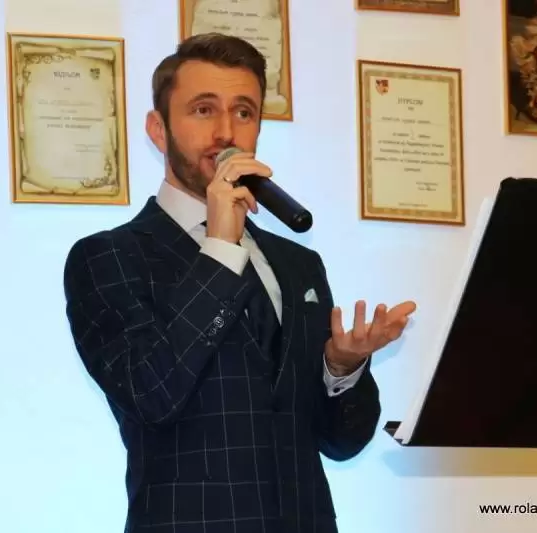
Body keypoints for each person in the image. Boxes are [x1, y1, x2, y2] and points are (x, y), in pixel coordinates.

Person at [63, 32, 416, 533]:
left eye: (244, 112)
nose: (226, 131)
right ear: (158, 130)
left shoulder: (298, 265)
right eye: (203, 109)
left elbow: (342, 442)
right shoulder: (108, 257)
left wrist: (341, 368)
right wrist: (221, 247)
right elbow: (150, 394)